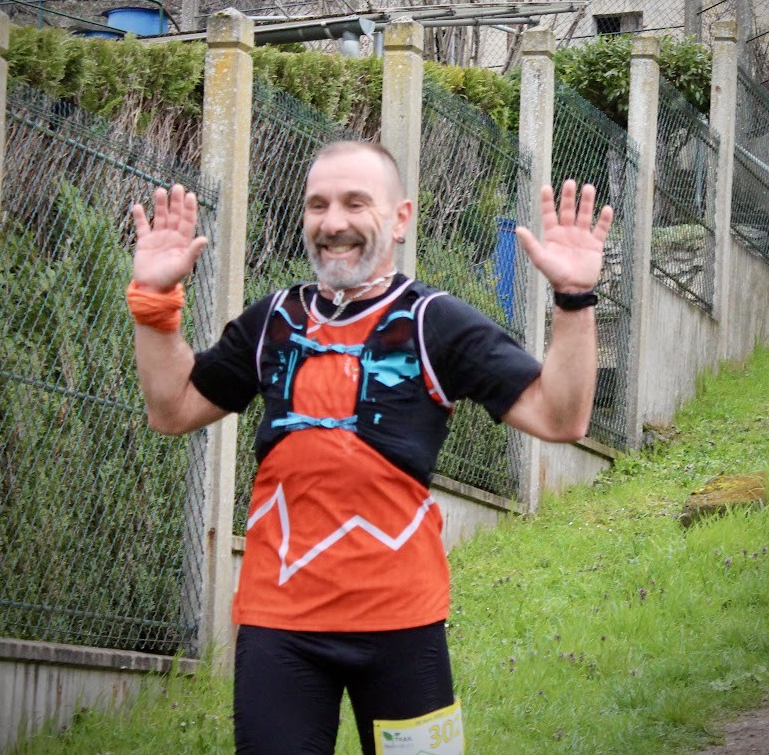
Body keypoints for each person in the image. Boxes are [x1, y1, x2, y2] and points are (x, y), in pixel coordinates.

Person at [127, 140, 613, 755]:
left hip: (403, 624)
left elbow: (560, 417)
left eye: (356, 203)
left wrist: (573, 300)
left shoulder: (436, 321)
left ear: (402, 218)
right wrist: (154, 304)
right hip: (280, 626)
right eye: (318, 205)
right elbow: (172, 410)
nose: (334, 222)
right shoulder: (271, 321)